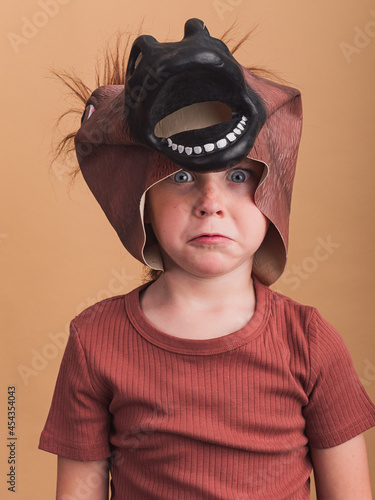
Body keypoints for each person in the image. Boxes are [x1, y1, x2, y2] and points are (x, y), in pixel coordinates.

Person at [39, 18, 375, 499]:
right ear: (143, 204)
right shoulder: (95, 343)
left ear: (271, 193)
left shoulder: (310, 342)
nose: (210, 202)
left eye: (238, 177)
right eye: (181, 178)